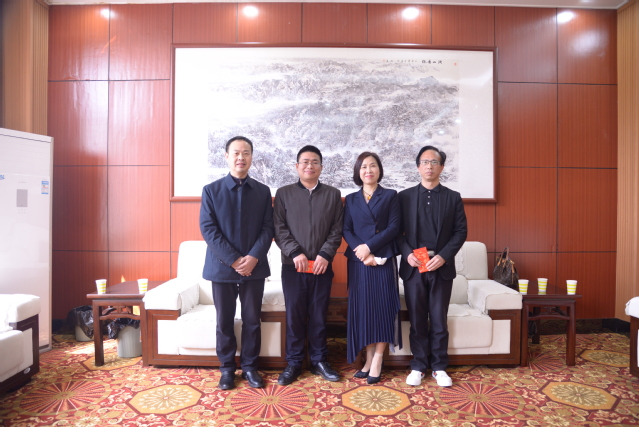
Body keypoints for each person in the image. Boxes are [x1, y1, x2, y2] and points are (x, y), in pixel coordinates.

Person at [199, 136, 274, 390]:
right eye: (236, 153)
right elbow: (208, 229)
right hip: (222, 268)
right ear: (227, 156)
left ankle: (250, 367)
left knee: (252, 319)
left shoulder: (263, 191)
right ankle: (227, 369)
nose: (241, 157)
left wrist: (253, 257)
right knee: (224, 321)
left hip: (254, 267)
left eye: (246, 153)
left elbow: (268, 228)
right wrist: (233, 260)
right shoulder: (211, 190)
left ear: (251, 157)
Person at [397, 145, 467, 387]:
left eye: (434, 162)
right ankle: (418, 366)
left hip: (440, 267)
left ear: (442, 167)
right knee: (417, 320)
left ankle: (439, 367)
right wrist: (407, 254)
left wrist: (444, 256)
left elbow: (460, 231)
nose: (429, 166)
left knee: (438, 319)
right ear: (418, 167)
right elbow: (396, 232)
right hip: (414, 267)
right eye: (425, 162)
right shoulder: (404, 197)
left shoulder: (453, 197)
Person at [273, 145, 344, 385]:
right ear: (297, 166)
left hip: (322, 266)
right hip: (293, 266)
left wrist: (325, 254)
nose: (309, 166)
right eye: (305, 162)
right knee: (294, 315)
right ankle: (294, 362)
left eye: (314, 162)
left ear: (321, 167)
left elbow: (337, 229)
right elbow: (279, 228)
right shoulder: (284, 193)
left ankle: (319, 360)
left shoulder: (333, 194)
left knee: (319, 315)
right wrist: (295, 252)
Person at [343, 152, 402, 384]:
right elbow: (346, 229)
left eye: (373, 166)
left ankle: (378, 358)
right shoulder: (351, 199)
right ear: (358, 172)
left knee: (383, 309)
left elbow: (394, 227)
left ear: (379, 170)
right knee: (364, 311)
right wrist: (361, 252)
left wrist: (369, 247)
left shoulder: (390, 195)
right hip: (358, 262)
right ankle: (367, 359)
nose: (368, 170)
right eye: (364, 167)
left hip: (383, 259)